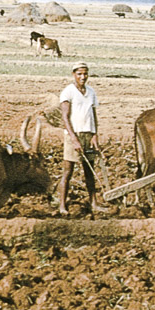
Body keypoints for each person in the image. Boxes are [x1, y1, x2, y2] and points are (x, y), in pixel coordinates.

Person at [57, 61, 108, 215]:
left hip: (87, 134)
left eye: (85, 74)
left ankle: (94, 203)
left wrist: (94, 135)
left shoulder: (91, 92)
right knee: (68, 171)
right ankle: (62, 206)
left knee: (89, 171)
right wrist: (73, 139)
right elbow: (65, 117)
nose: (83, 77)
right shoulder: (68, 92)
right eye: (79, 74)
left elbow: (93, 115)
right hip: (74, 135)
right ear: (74, 75)